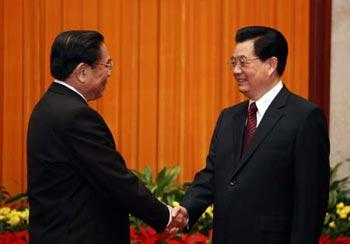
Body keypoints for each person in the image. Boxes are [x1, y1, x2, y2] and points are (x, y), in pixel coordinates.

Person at [173, 26, 330, 243]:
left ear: (271, 65)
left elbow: (310, 201)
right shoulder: (229, 117)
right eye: (233, 62)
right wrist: (187, 210)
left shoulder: (305, 117)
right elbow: (212, 174)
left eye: (243, 62)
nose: (235, 70)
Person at [27, 30, 176, 244]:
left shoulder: (47, 106)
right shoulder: (75, 116)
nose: (110, 73)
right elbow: (114, 179)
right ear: (82, 71)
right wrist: (166, 217)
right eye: (107, 65)